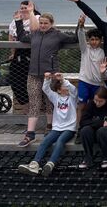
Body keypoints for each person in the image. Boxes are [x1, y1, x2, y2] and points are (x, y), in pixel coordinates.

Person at [14, 8, 77, 148]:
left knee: (50, 102)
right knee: (34, 103)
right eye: (41, 23)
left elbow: (74, 39)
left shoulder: (58, 35)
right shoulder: (34, 34)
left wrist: (80, 24)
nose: (42, 25)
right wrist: (18, 21)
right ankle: (30, 134)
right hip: (33, 74)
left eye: (45, 23)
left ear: (52, 23)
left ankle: (50, 128)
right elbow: (22, 37)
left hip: (51, 75)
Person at [18, 73, 78, 176]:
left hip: (69, 128)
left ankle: (50, 164)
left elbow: (74, 90)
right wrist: (46, 79)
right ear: (59, 90)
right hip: (56, 128)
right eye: (63, 86)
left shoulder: (72, 98)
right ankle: (35, 164)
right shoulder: (55, 98)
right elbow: (46, 89)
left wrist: (63, 80)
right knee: (45, 141)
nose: (66, 87)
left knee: (60, 141)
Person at [75, 15, 105, 142]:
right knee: (81, 106)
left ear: (100, 40)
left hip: (97, 84)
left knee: (95, 106)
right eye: (92, 39)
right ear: (89, 40)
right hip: (84, 82)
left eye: (97, 39)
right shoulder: (85, 50)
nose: (94, 42)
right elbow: (81, 37)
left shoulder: (103, 52)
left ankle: (93, 129)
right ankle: (79, 130)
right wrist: (81, 26)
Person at [8, 0, 40, 107]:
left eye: (25, 8)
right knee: (15, 81)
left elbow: (35, 30)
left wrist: (31, 13)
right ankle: (26, 108)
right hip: (18, 54)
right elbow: (11, 38)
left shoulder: (37, 18)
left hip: (32, 53)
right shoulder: (15, 21)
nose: (23, 10)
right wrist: (12, 53)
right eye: (21, 8)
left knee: (32, 82)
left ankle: (34, 109)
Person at [78, 86, 107, 169]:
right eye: (95, 100)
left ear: (106, 100)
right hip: (93, 132)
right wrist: (100, 123)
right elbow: (83, 121)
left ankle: (106, 157)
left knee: (102, 131)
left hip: (105, 134)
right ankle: (88, 158)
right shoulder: (91, 104)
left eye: (100, 101)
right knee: (85, 130)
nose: (97, 103)